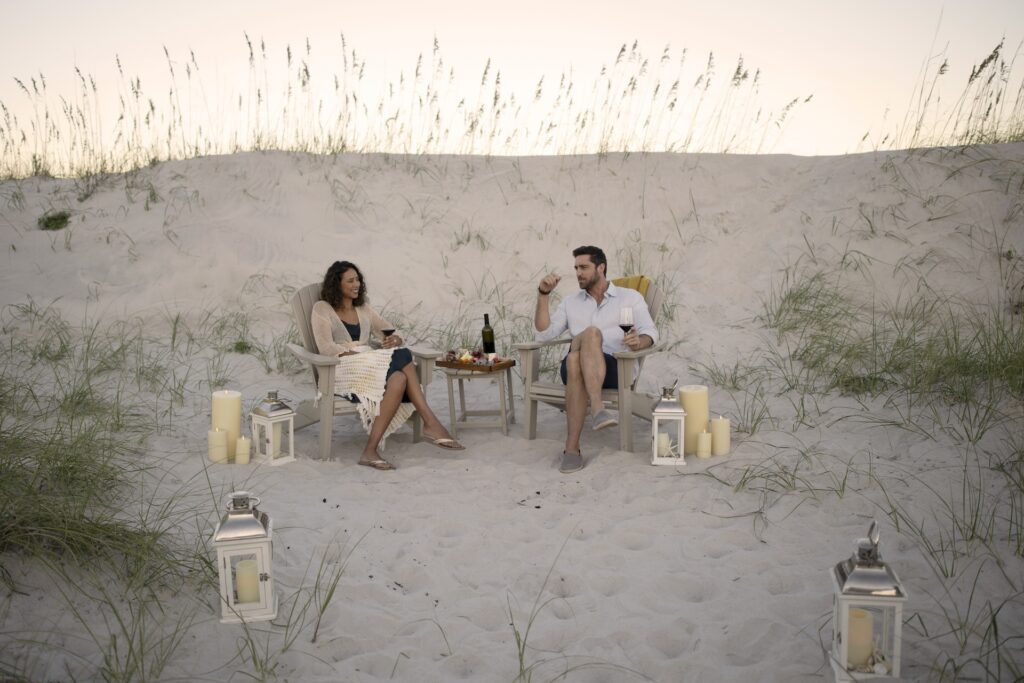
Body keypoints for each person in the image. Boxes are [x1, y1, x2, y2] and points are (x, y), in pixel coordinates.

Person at [311, 260, 463, 470]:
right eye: (350, 281)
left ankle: (370, 451)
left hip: (368, 366)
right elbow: (325, 348)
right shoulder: (322, 308)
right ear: (336, 284)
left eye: (358, 279)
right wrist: (359, 356)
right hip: (341, 369)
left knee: (399, 378)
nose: (357, 284)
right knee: (403, 355)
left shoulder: (363, 308)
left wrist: (395, 339)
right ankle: (430, 423)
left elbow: (390, 330)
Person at [534, 245, 658, 473]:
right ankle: (598, 408)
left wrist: (638, 342)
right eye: (576, 268)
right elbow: (543, 334)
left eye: (583, 267)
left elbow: (650, 333)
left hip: (614, 368)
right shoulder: (571, 302)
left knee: (576, 359)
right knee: (590, 336)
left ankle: (572, 450)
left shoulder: (629, 297)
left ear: (601, 268)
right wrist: (543, 294)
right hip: (573, 370)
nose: (578, 273)